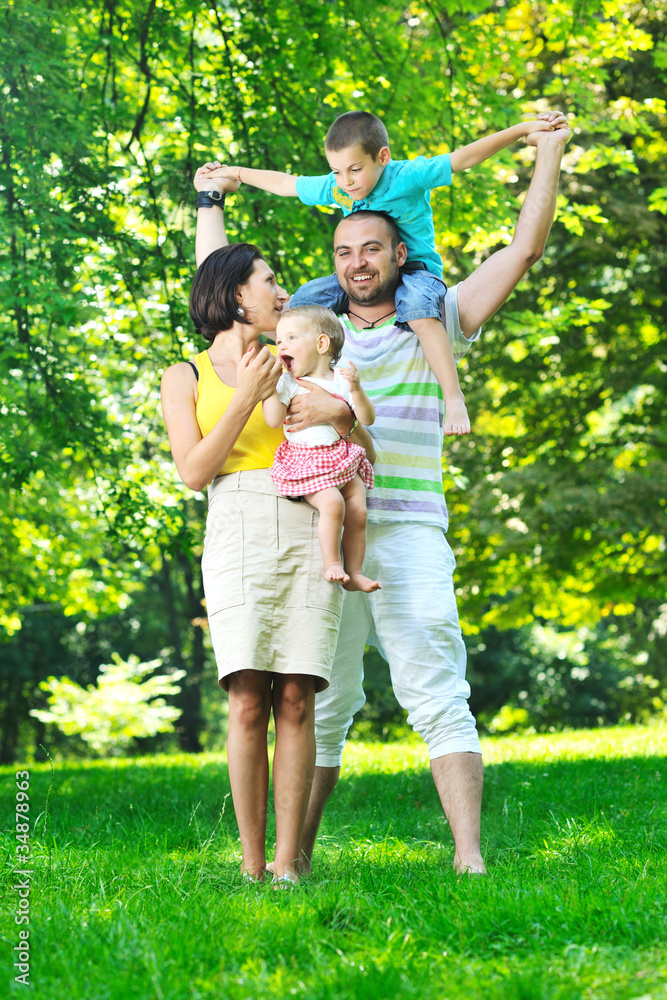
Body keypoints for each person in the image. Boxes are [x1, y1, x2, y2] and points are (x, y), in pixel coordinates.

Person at [194, 115, 570, 876]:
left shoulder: (439, 316)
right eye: (344, 250)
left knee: (436, 687)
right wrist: (211, 205)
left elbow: (522, 248)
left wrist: (549, 150)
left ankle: (468, 858)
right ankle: (292, 863)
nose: (358, 262)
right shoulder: (304, 338)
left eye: (373, 248)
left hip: (408, 531)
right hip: (316, 538)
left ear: (402, 252)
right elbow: (221, 295)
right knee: (319, 708)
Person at [160, 221, 374, 885]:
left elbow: (359, 442)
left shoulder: (298, 365)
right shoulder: (184, 374)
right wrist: (246, 399)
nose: (281, 292)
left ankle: (288, 865)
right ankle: (252, 865)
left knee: (299, 695)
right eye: (269, 282)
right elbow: (193, 472)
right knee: (247, 697)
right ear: (234, 296)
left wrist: (339, 415)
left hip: (310, 519)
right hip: (237, 523)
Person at [206, 109, 564, 437]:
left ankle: (455, 397)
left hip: (419, 275)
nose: (346, 181)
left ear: (382, 158)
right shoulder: (314, 331)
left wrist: (528, 134)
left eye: (371, 249)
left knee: (421, 310)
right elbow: (223, 286)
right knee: (303, 303)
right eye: (345, 252)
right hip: (335, 501)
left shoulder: (407, 182)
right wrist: (224, 181)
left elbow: (467, 162)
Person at [265, 305, 380, 592]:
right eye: (278, 341)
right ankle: (332, 563)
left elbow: (366, 419)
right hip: (307, 461)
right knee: (333, 503)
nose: (281, 346)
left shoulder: (341, 379)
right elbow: (272, 419)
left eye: (290, 338)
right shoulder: (289, 382)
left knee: (360, 510)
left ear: (321, 344)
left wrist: (357, 390)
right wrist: (268, 388)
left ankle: (354, 571)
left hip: (340, 458)